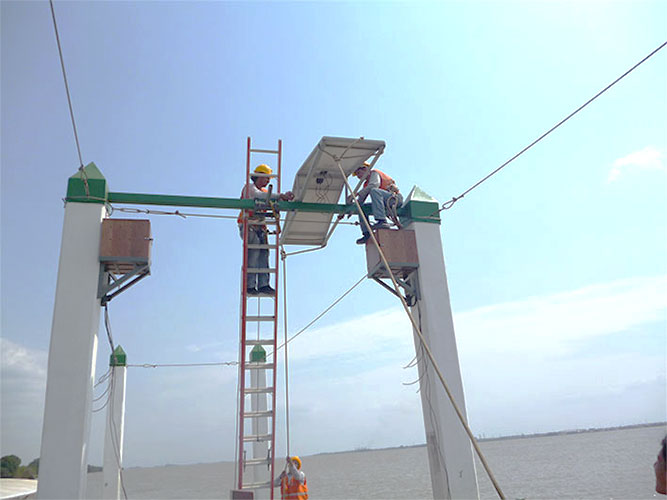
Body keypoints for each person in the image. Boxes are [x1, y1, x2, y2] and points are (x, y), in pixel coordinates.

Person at [239, 164, 293, 295]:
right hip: (249, 225)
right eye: (267, 178)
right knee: (254, 253)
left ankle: (264, 284)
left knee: (264, 254)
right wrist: (280, 195)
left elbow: (271, 200)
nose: (268, 181)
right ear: (259, 176)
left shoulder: (264, 192)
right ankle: (250, 286)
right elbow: (260, 196)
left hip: (260, 227)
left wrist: (284, 198)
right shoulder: (249, 188)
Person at [347, 162, 403, 244]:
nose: (358, 176)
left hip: (394, 199)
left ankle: (382, 221)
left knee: (374, 191)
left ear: (365, 169)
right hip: (384, 203)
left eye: (359, 173)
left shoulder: (374, 173)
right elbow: (360, 201)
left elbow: (374, 185)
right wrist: (350, 210)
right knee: (362, 208)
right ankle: (367, 233)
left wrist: (356, 194)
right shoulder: (366, 184)